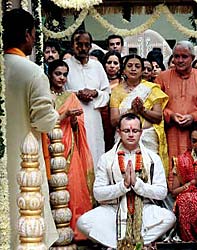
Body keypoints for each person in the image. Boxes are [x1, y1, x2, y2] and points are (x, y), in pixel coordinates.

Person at [77, 113, 176, 249]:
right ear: (119, 132)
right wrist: (122, 186)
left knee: (169, 218)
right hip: (114, 209)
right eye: (126, 131)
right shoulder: (107, 159)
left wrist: (137, 185)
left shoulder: (153, 158)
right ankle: (124, 245)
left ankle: (131, 242)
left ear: (141, 133)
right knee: (83, 222)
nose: (131, 134)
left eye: (135, 131)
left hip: (144, 209)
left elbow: (162, 192)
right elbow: (98, 194)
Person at [3, 8, 59, 248]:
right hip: (24, 162)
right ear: (27, 34)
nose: (35, 39)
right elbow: (45, 122)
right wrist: (56, 108)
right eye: (35, 34)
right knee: (27, 219)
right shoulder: (32, 72)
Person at [155, 41, 197, 185]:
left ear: (192, 58)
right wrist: (171, 115)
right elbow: (155, 105)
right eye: (176, 56)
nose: (180, 60)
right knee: (170, 169)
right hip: (170, 133)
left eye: (184, 56)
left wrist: (193, 117)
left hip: (195, 135)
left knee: (195, 170)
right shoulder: (162, 78)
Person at [48, 60, 94, 241]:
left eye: (65, 74)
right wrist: (65, 115)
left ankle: (75, 229)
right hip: (50, 146)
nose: (61, 77)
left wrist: (74, 121)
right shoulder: (45, 96)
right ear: (50, 74)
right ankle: (53, 231)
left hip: (70, 147)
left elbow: (78, 126)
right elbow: (45, 122)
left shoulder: (71, 97)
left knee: (73, 187)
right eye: (58, 73)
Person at [110, 54, 169, 175]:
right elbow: (114, 121)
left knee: (149, 170)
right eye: (130, 66)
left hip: (148, 138)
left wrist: (142, 110)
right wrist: (131, 111)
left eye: (137, 66)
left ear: (142, 71)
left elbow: (158, 117)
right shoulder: (116, 92)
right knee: (125, 170)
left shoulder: (151, 89)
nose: (133, 69)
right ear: (123, 70)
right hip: (124, 137)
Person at [65, 30, 110, 170]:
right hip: (72, 119)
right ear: (72, 45)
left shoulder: (97, 66)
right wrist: (77, 94)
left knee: (95, 152)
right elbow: (59, 94)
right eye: (79, 44)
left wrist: (95, 93)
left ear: (91, 46)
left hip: (93, 118)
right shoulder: (65, 66)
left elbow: (107, 94)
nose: (83, 48)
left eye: (86, 45)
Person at [101, 50, 123, 151]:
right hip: (101, 119)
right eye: (109, 63)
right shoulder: (99, 80)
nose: (112, 66)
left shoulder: (123, 82)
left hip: (117, 119)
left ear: (120, 65)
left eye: (115, 63)